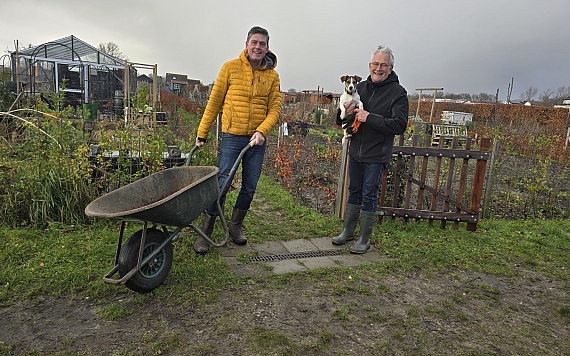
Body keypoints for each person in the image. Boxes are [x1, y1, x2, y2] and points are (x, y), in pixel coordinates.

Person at [193, 26, 281, 255]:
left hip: (256, 141)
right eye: (254, 42)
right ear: (247, 44)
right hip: (232, 136)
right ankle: (206, 232)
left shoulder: (272, 76)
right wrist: (202, 133)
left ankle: (235, 226)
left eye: (262, 44)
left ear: (267, 48)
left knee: (249, 187)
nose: (258, 47)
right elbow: (214, 103)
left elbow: (275, 110)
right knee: (221, 185)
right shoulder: (230, 68)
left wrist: (262, 131)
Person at [333, 45, 409, 253]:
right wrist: (344, 114)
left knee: (369, 194)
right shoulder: (361, 88)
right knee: (354, 191)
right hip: (356, 149)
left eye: (383, 65)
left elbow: (399, 125)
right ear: (370, 66)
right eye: (375, 64)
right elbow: (341, 120)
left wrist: (370, 118)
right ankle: (347, 231)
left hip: (376, 153)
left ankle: (364, 239)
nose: (378, 68)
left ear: (390, 69)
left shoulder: (398, 93)